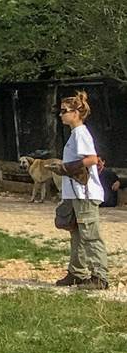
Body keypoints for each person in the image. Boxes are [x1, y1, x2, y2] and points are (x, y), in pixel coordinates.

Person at [55, 91, 109, 291]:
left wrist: (66, 168)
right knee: (76, 233)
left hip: (84, 193)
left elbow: (91, 159)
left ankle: (99, 276)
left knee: (90, 234)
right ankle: (76, 272)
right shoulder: (74, 134)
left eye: (64, 111)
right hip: (75, 193)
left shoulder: (80, 133)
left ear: (76, 113)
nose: (61, 114)